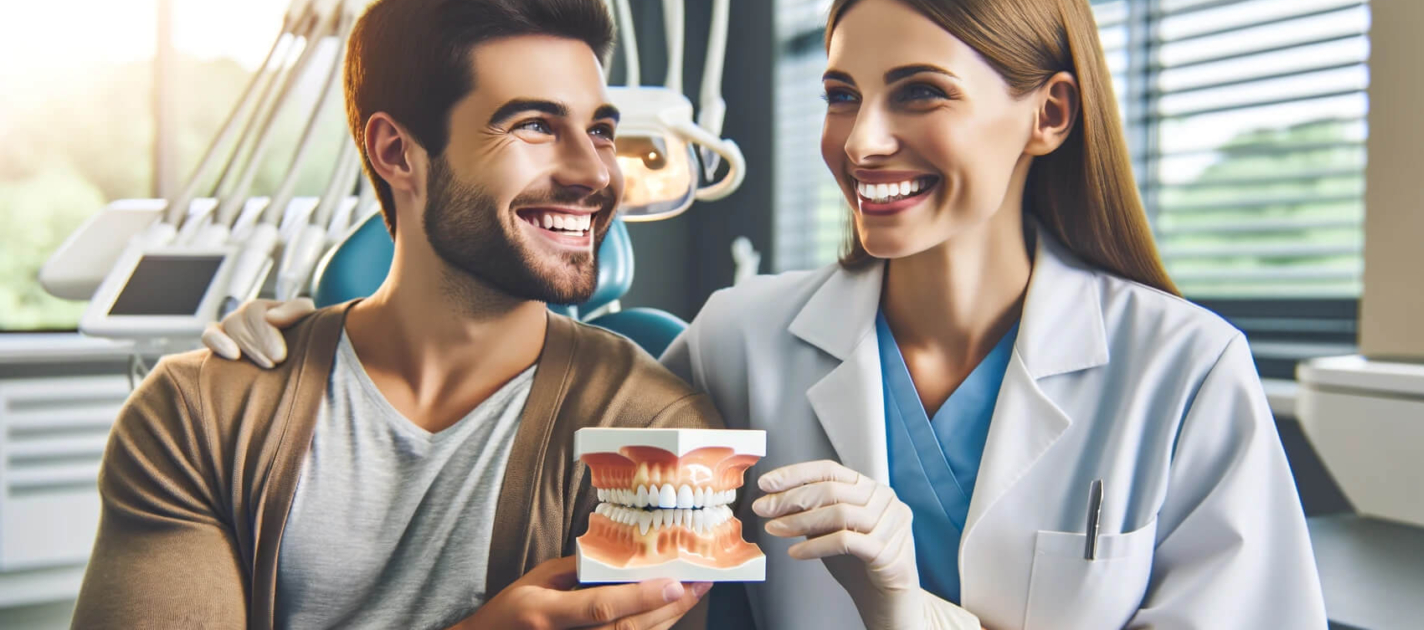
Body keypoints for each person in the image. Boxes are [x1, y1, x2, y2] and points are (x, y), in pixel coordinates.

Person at [213, 0, 1329, 628]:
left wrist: (909, 610)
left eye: (921, 92)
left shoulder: (1182, 373)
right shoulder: (738, 343)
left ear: (1049, 115)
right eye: (844, 94)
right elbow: (635, 602)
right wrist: (316, 344)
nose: (865, 142)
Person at [73, 1, 718, 628]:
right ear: (396, 151)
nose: (595, 172)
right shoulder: (203, 411)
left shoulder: (653, 435)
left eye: (600, 130)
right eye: (535, 126)